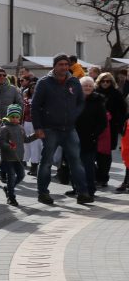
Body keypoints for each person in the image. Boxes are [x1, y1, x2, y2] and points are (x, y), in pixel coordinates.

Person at [31, 54, 90, 205]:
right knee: (46, 162)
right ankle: (43, 193)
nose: (64, 67)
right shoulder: (44, 83)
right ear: (54, 66)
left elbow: (81, 102)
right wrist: (38, 127)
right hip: (50, 129)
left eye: (66, 64)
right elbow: (35, 106)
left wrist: (73, 115)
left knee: (76, 161)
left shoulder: (74, 82)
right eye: (61, 64)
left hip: (69, 129)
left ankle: (82, 193)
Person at [0, 104, 36, 206]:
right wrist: (9, 145)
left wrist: (35, 135)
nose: (15, 119)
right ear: (8, 117)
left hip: (19, 157)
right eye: (12, 117)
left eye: (17, 117)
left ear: (19, 117)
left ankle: (8, 189)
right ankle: (11, 197)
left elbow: (26, 139)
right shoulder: (4, 128)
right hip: (8, 158)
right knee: (11, 177)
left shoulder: (21, 128)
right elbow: (1, 142)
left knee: (21, 175)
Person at [75, 76, 107, 198]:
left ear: (93, 87)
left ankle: (90, 190)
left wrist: (94, 134)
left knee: (88, 165)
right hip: (73, 137)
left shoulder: (98, 101)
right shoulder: (74, 99)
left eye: (90, 85)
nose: (87, 88)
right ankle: (77, 188)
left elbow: (103, 122)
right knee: (75, 164)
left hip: (89, 138)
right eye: (85, 85)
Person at [95, 72, 125, 186]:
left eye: (108, 81)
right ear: (99, 81)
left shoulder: (116, 94)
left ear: (112, 82)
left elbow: (122, 110)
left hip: (111, 128)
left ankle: (104, 178)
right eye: (103, 81)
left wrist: (117, 123)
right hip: (96, 127)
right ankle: (97, 176)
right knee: (95, 153)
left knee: (106, 154)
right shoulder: (94, 93)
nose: (105, 83)